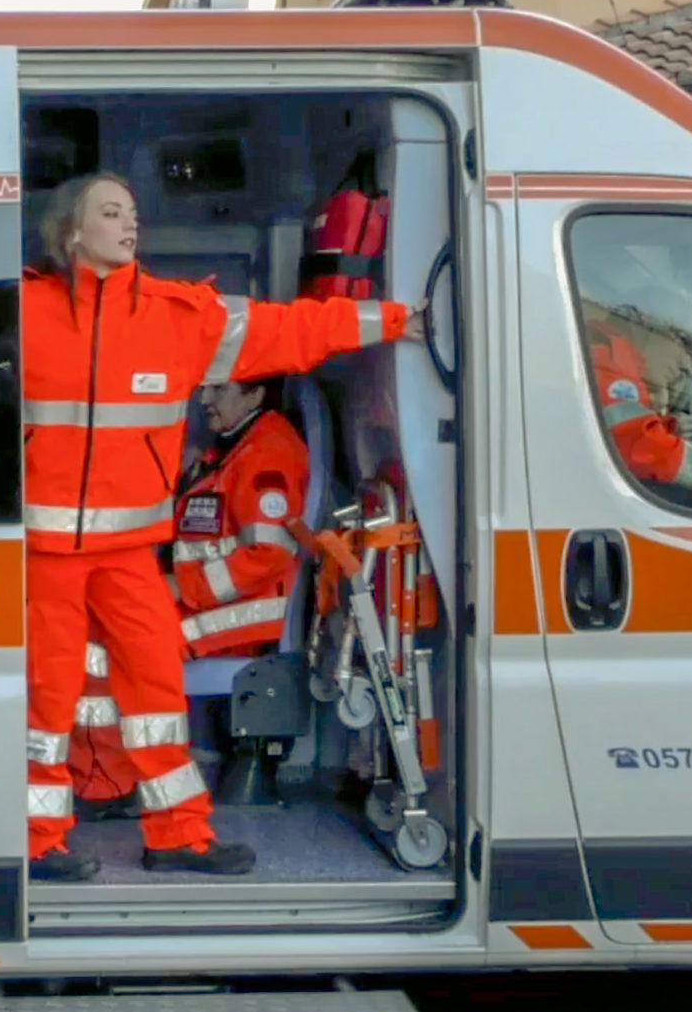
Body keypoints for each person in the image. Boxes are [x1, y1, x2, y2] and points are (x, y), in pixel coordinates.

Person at [22, 172, 415, 881]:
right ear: (71, 233)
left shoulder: (178, 317)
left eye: (133, 213)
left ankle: (176, 834)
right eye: (111, 213)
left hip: (130, 556)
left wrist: (391, 320)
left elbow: (290, 328)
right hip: (47, 554)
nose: (129, 224)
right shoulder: (24, 311)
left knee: (156, 690)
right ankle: (38, 840)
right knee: (49, 699)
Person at [71, 375, 310, 816]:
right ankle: (109, 777)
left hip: (247, 615)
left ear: (256, 394)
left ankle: (109, 785)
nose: (205, 400)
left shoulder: (268, 453)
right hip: (219, 603)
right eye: (204, 389)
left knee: (107, 647)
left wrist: (183, 587)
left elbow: (269, 555)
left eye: (219, 390)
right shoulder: (238, 446)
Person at [576, 265, 692, 500]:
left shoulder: (608, 351)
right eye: (684, 342)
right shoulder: (606, 357)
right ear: (644, 323)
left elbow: (618, 431)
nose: (687, 364)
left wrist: (667, 428)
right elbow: (638, 449)